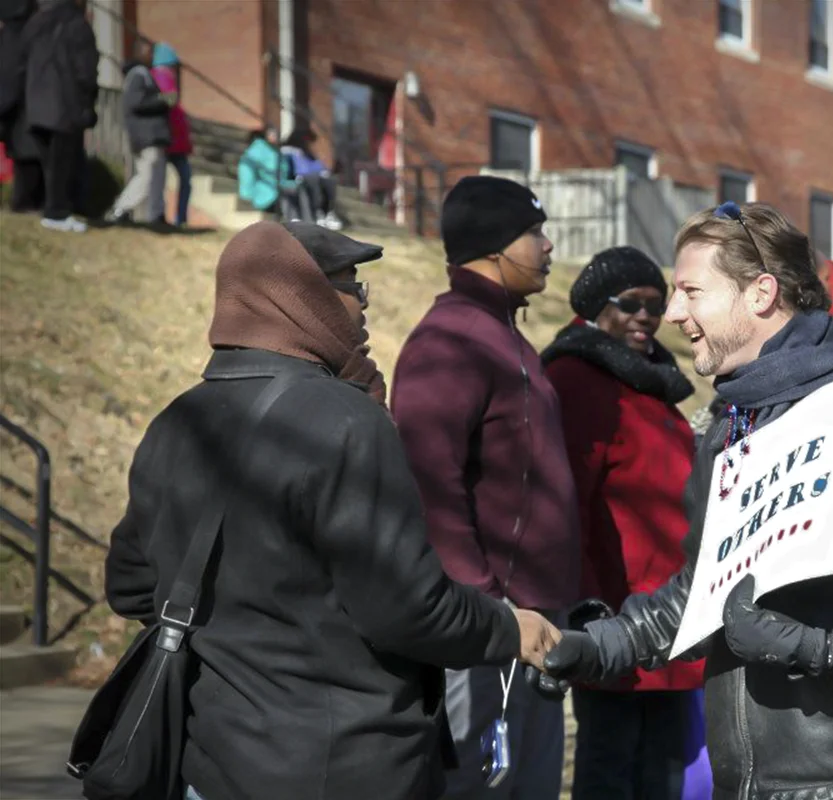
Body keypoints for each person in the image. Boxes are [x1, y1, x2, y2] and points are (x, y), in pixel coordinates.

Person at [543, 201, 833, 800]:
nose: (674, 313)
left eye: (690, 291)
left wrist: (822, 645)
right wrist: (599, 646)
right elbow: (703, 589)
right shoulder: (735, 423)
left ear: (761, 292)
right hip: (760, 779)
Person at [105, 220, 562, 800]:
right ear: (303, 296)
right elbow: (404, 610)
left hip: (210, 760)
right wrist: (506, 627)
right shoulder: (346, 421)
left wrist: (242, 633)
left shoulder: (177, 422)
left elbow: (129, 584)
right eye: (352, 286)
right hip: (343, 763)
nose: (364, 306)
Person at [391, 175, 580, 799]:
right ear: (494, 246)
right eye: (535, 232)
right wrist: (486, 607)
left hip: (532, 627)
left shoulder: (504, 334)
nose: (548, 247)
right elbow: (428, 483)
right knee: (478, 789)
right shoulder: (449, 341)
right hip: (485, 629)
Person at [541, 246, 708, 800]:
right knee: (611, 769)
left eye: (656, 307)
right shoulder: (577, 377)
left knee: (662, 773)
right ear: (594, 306)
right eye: (630, 304)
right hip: (616, 615)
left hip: (670, 612)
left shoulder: (648, 378)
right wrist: (588, 609)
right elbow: (568, 506)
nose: (645, 316)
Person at [19, 0, 98, 233]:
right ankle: (57, 213)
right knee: (63, 164)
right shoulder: (76, 24)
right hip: (64, 106)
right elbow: (86, 68)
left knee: (49, 165)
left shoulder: (35, 23)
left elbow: (22, 60)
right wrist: (87, 102)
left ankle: (51, 210)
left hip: (36, 105)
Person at [105, 38, 172, 226]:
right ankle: (120, 209)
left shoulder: (145, 74)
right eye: (149, 52)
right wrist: (163, 101)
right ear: (140, 52)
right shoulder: (138, 74)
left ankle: (156, 215)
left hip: (154, 136)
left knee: (158, 178)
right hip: (146, 136)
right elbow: (134, 103)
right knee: (147, 175)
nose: (153, 56)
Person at [0, 0, 42, 213]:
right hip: (41, 113)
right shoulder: (38, 30)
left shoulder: (13, 35)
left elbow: (9, 78)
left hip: (22, 117)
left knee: (26, 179)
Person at [149, 42, 193, 226]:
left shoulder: (165, 79)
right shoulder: (161, 77)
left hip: (174, 141)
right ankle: (169, 217)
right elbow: (169, 106)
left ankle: (173, 217)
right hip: (169, 140)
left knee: (169, 180)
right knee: (169, 180)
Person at [237, 127, 310, 221]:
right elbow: (246, 169)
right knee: (287, 194)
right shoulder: (258, 149)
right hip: (266, 192)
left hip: (279, 187)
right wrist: (246, 193)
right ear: (266, 135)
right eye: (272, 134)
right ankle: (295, 221)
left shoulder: (276, 151)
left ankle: (305, 220)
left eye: (277, 134)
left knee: (301, 188)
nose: (276, 137)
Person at [281, 129, 342, 230]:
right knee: (314, 180)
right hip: (299, 177)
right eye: (309, 141)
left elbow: (317, 165)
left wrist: (324, 171)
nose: (311, 144)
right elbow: (301, 168)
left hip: (311, 176)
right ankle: (317, 212)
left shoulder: (307, 153)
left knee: (330, 180)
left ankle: (327, 212)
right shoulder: (292, 151)